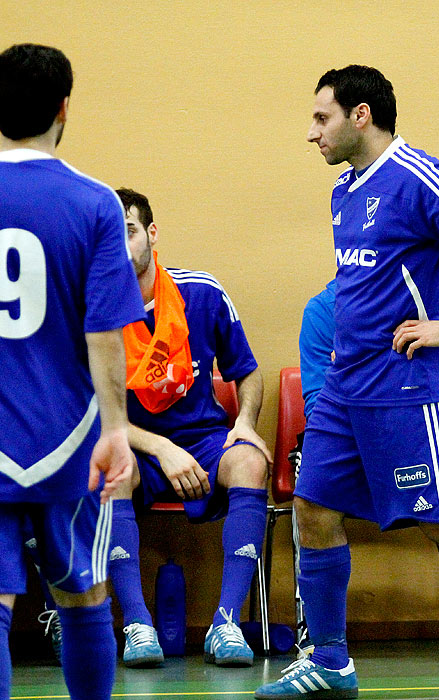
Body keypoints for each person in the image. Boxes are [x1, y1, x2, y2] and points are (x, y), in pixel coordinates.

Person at [254, 65, 439, 700]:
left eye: (322, 118)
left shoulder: (419, 175)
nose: (312, 133)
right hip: (347, 387)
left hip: (411, 387)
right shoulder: (344, 191)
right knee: (312, 510)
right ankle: (331, 662)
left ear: (361, 115)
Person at [0, 43, 145, 700]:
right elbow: (104, 332)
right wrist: (116, 428)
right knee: (85, 598)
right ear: (64, 109)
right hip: (70, 437)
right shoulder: (94, 203)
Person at [107, 188, 272, 668]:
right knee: (110, 472)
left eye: (130, 232)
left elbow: (247, 371)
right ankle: (137, 626)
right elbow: (98, 410)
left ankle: (226, 623)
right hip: (135, 445)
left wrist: (244, 423)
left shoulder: (201, 291)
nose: (119, 246)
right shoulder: (93, 309)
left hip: (205, 441)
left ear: (151, 234)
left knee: (250, 460)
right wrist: (160, 449)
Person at [294, 278, 439, 662]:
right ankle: (314, 623)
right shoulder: (321, 310)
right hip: (349, 437)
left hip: (415, 434)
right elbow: (316, 400)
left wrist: (401, 437)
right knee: (307, 467)